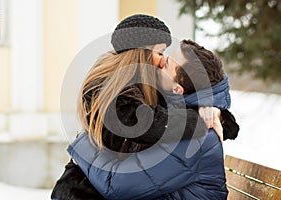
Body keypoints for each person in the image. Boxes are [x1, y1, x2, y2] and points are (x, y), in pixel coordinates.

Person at [51, 14, 238, 200]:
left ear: (177, 88)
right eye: (161, 54)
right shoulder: (135, 96)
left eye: (166, 63)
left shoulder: (194, 135)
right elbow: (149, 120)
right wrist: (207, 114)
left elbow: (117, 186)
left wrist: (83, 148)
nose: (160, 62)